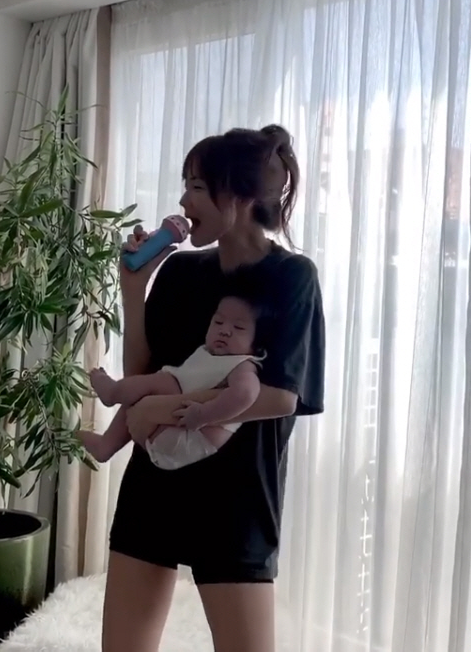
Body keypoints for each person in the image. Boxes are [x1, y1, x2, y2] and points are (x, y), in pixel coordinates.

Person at [103, 124, 325, 652]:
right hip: (156, 480)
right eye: (186, 185)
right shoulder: (180, 272)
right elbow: (141, 373)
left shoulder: (292, 277)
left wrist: (164, 408)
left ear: (242, 198)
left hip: (238, 495)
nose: (183, 200)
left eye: (198, 187)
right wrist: (133, 291)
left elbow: (281, 397)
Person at [80, 290, 266, 470]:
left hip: (190, 438)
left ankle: (113, 393)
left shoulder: (242, 364)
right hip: (173, 434)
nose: (224, 330)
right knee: (141, 392)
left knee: (163, 382)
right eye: (218, 322)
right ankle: (106, 445)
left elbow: (246, 393)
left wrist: (203, 414)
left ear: (257, 343)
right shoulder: (210, 354)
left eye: (238, 328)